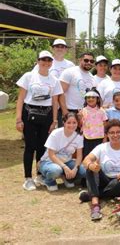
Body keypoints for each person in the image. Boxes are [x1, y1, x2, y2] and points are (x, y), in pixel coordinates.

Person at [16, 50, 62, 191]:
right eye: (43, 60)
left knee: (43, 148)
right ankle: (28, 178)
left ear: (51, 62)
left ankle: (40, 175)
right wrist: (19, 119)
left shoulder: (54, 80)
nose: (46, 62)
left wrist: (54, 120)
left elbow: (55, 102)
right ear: (38, 61)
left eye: (49, 60)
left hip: (47, 115)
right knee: (30, 146)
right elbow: (21, 99)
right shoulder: (29, 76)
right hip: (29, 113)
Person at [80, 120, 120, 221]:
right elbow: (86, 160)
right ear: (107, 134)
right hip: (103, 179)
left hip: (119, 181)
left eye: (118, 132)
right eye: (112, 132)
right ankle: (95, 206)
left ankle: (91, 194)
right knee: (90, 169)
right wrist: (90, 165)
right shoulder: (101, 147)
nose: (115, 135)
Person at [37, 113, 86, 191]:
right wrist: (65, 167)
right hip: (49, 161)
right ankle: (47, 180)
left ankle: (68, 178)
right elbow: (51, 154)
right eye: (68, 122)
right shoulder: (55, 134)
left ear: (77, 123)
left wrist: (75, 169)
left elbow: (79, 155)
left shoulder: (78, 136)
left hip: (67, 161)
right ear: (64, 122)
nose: (72, 125)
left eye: (74, 123)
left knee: (84, 171)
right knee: (56, 170)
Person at [59, 52, 96, 118]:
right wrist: (65, 112)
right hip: (69, 111)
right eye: (86, 60)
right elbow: (60, 93)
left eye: (92, 61)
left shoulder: (92, 78)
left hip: (85, 113)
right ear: (80, 60)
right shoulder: (69, 72)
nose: (89, 63)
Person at [79, 88, 108, 158]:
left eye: (93, 97)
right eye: (88, 97)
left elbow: (106, 125)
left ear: (97, 99)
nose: (90, 99)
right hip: (87, 138)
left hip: (99, 138)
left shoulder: (102, 111)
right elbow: (80, 125)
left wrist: (105, 138)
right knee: (87, 156)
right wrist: (79, 118)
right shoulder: (83, 111)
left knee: (99, 156)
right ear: (85, 99)